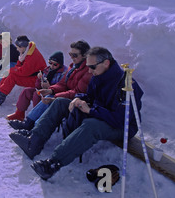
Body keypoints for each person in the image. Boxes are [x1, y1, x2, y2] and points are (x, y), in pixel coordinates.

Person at [19, 47, 144, 180]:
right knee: (61, 102)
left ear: (106, 63)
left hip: (122, 127)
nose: (89, 70)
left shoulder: (126, 85)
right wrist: (79, 99)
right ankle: (34, 142)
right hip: (101, 113)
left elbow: (120, 120)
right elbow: (90, 96)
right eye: (88, 66)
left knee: (92, 125)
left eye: (92, 67)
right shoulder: (98, 75)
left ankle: (53, 164)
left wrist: (91, 110)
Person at [8, 40, 92, 130]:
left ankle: (36, 128)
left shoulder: (88, 71)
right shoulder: (73, 67)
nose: (72, 57)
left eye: (75, 55)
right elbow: (62, 84)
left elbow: (78, 92)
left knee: (50, 99)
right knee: (35, 93)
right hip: (65, 95)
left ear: (84, 55)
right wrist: (50, 89)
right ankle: (28, 122)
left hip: (76, 100)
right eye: (70, 54)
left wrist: (54, 95)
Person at [6, 51, 67, 121]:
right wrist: (39, 79)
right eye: (50, 62)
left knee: (36, 94)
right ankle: (19, 113)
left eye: (55, 64)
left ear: (60, 64)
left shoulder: (63, 73)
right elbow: (37, 86)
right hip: (44, 90)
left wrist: (49, 87)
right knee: (27, 91)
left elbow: (61, 87)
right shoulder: (47, 70)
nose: (52, 66)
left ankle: (35, 116)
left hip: (53, 94)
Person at [0, 35, 46, 106]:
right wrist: (11, 70)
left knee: (13, 76)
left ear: (22, 46)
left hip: (36, 79)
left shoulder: (32, 56)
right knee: (10, 72)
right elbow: (19, 64)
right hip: (31, 75)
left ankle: (0, 97)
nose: (17, 49)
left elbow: (24, 72)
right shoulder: (27, 51)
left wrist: (12, 70)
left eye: (18, 47)